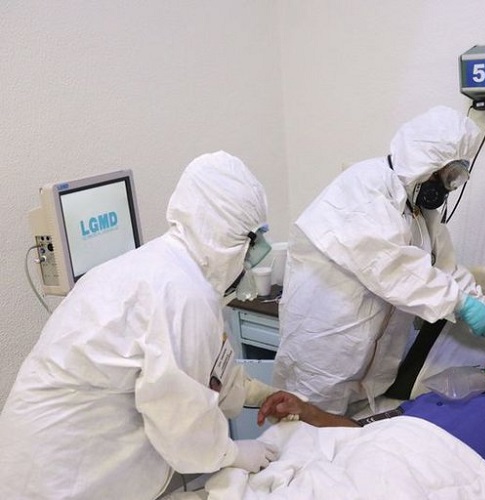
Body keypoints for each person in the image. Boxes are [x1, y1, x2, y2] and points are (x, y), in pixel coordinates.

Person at [0, 151, 282, 499]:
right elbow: (182, 423)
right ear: (226, 238)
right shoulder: (180, 294)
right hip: (58, 477)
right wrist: (234, 454)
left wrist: (258, 393)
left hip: (50, 458)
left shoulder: (173, 272)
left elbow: (205, 368)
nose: (255, 256)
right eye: (253, 241)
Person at [273, 105, 485, 415]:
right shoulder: (365, 188)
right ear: (424, 160)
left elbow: (444, 266)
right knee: (304, 427)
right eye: (447, 174)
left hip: (370, 369)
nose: (447, 186)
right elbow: (392, 268)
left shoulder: (419, 209)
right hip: (325, 352)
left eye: (456, 178)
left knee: (350, 435)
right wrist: (460, 303)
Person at [260, 340, 485, 497]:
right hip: (383, 448)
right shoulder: (441, 394)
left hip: (445, 469)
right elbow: (361, 430)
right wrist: (306, 411)